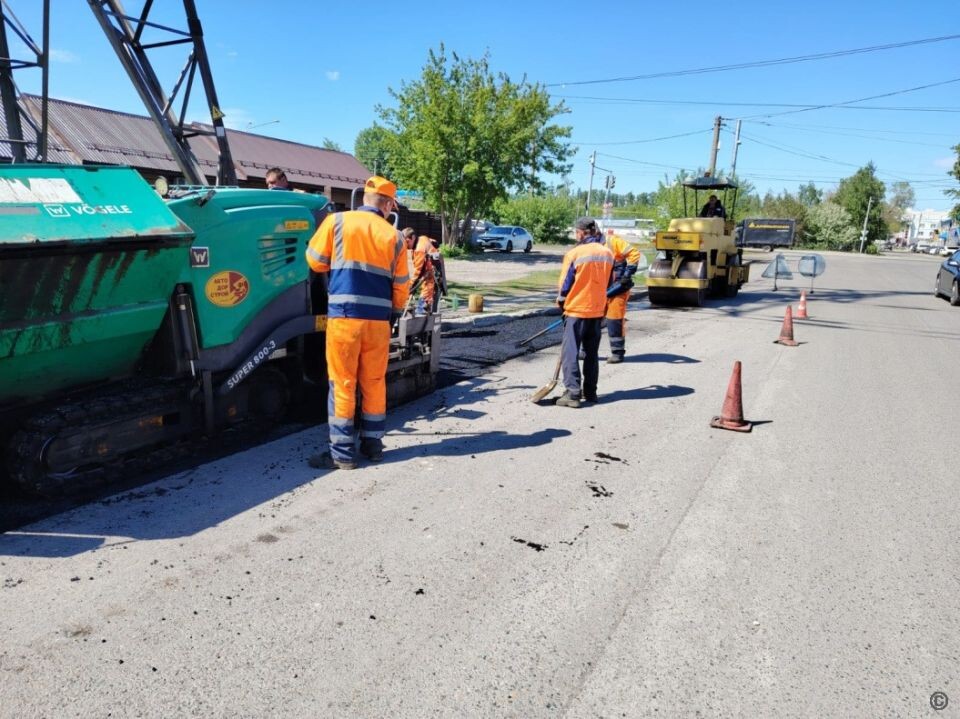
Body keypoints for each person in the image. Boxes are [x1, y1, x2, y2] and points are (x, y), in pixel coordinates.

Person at [304, 176, 409, 469]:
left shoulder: (337, 222)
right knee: (374, 382)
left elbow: (314, 261)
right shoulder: (395, 237)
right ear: (388, 205)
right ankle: (373, 446)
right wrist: (394, 312)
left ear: (364, 198)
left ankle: (342, 454)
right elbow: (401, 285)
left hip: (345, 320)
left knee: (343, 383)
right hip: (378, 324)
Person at [555, 217, 614, 407]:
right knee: (591, 353)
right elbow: (610, 283)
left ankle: (572, 393)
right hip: (597, 311)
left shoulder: (574, 253)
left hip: (576, 310)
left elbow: (565, 285)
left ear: (580, 233)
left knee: (570, 352)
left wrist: (561, 302)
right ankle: (590, 392)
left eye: (576, 232)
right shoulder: (607, 253)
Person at [602, 228, 642, 364]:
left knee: (614, 320)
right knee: (591, 320)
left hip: (617, 288)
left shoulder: (612, 241)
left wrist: (627, 274)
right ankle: (585, 351)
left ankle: (617, 353)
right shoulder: (588, 245)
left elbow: (634, 253)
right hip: (600, 289)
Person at [411, 234, 438, 314]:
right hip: (431, 266)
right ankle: (425, 307)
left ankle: (421, 308)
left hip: (430, 268)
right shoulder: (422, 238)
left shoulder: (419, 249)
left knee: (427, 287)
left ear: (412, 238)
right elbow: (433, 241)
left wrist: (412, 285)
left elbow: (418, 270)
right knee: (428, 288)